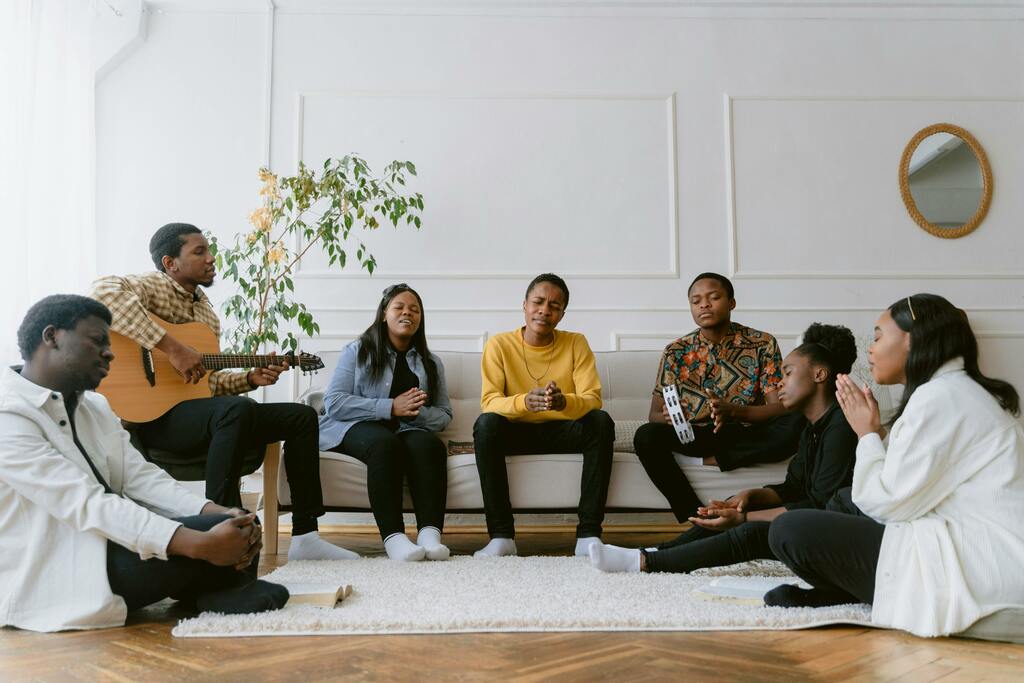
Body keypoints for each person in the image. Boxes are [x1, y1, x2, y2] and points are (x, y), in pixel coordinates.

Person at [0, 295, 290, 632]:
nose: (109, 353)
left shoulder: (95, 406)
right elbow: (85, 503)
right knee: (203, 538)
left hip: (111, 545)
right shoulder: (9, 415)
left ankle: (212, 587)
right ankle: (217, 586)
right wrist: (196, 543)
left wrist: (215, 510)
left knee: (233, 523)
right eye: (97, 341)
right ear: (52, 337)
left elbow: (141, 478)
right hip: (60, 569)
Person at [765, 295, 1024, 640]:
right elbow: (909, 482)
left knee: (788, 530)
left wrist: (866, 434)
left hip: (984, 569)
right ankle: (849, 589)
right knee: (844, 500)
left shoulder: (941, 397)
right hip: (990, 555)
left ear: (912, 340)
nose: (870, 349)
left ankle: (854, 591)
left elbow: (886, 505)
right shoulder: (953, 391)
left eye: (877, 336)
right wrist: (877, 434)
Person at [91, 222, 354, 562]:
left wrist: (250, 379)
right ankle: (221, 525)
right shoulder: (153, 286)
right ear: (170, 263)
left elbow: (207, 384)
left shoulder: (206, 315)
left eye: (209, 251)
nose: (211, 258)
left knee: (301, 416)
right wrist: (173, 348)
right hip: (151, 421)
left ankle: (306, 536)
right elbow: (102, 293)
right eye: (199, 252)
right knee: (235, 409)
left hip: (194, 415)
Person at [589, 323, 859, 574]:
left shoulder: (841, 427)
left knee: (748, 530)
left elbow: (819, 506)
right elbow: (793, 489)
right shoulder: (813, 428)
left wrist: (744, 518)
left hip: (827, 532)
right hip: (711, 439)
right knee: (731, 506)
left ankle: (648, 562)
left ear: (819, 374)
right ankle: (655, 551)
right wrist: (748, 496)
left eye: (787, 373)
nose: (780, 381)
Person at [634, 272, 805, 520]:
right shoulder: (675, 351)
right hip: (697, 434)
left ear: (731, 302)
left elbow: (778, 407)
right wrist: (670, 418)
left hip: (746, 432)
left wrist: (734, 411)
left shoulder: (762, 343)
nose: (704, 305)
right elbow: (653, 415)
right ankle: (696, 516)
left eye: (713, 297)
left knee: (797, 420)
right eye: (696, 301)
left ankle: (708, 461)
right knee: (646, 436)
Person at [472, 274, 615, 558]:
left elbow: (592, 398)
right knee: (486, 424)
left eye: (554, 306)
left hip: (564, 431)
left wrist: (564, 402)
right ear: (524, 305)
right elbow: (490, 402)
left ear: (562, 314)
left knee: (601, 421)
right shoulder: (499, 345)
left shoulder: (576, 343)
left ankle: (588, 535)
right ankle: (501, 537)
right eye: (538, 302)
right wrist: (524, 402)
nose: (545, 310)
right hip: (516, 433)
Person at [320, 284, 452, 562]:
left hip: (408, 428)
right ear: (383, 314)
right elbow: (334, 402)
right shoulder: (357, 351)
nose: (407, 313)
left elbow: (444, 414)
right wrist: (390, 406)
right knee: (384, 445)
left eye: (414, 310)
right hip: (357, 426)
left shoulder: (431, 362)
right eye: (399, 307)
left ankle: (430, 535)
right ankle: (394, 539)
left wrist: (415, 412)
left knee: (429, 445)